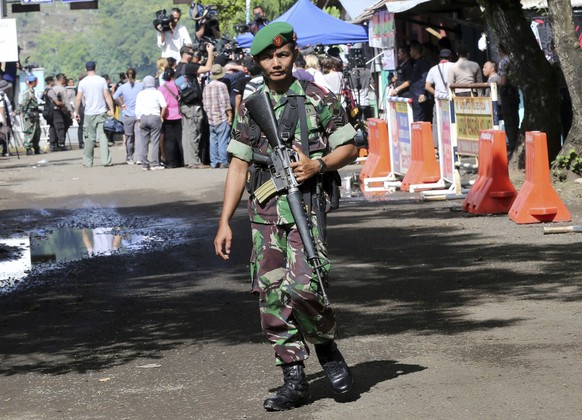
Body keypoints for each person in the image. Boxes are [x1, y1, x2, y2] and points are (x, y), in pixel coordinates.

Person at [214, 22, 357, 412]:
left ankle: (326, 347)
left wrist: (319, 164)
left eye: (282, 55)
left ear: (294, 54)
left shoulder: (316, 97)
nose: (275, 63)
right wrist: (224, 221)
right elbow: (238, 165)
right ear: (257, 61)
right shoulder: (251, 104)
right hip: (264, 213)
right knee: (272, 295)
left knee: (306, 287)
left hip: (305, 210)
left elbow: (350, 147)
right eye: (267, 57)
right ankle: (293, 377)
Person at [73, 61, 115, 167]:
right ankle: (106, 161)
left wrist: (76, 112)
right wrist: (112, 109)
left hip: (89, 113)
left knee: (89, 138)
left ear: (86, 69)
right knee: (103, 136)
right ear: (95, 68)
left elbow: (78, 99)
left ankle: (88, 162)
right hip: (101, 112)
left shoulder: (82, 82)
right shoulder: (101, 80)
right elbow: (107, 96)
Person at [180, 44, 215, 169]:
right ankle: (195, 161)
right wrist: (210, 52)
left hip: (184, 103)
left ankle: (189, 160)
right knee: (195, 132)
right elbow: (208, 68)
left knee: (187, 133)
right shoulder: (189, 67)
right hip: (193, 104)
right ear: (184, 55)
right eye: (190, 54)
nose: (192, 56)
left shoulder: (178, 68)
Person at [202, 64, 232, 169]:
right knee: (223, 140)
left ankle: (214, 162)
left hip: (211, 118)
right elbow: (226, 103)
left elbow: (204, 104)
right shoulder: (222, 85)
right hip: (221, 117)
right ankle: (223, 161)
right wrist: (230, 115)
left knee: (213, 141)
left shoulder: (206, 87)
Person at [135, 76, 167, 171]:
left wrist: (139, 120)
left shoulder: (140, 94)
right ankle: (154, 163)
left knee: (144, 142)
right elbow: (164, 105)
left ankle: (145, 163)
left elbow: (137, 109)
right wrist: (161, 116)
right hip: (154, 117)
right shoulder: (157, 93)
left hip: (143, 117)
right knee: (155, 141)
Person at [113, 68, 144, 164]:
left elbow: (114, 97)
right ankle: (139, 158)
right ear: (136, 75)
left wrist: (121, 104)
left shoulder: (122, 87)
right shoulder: (141, 86)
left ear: (126, 76)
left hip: (127, 114)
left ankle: (129, 157)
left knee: (129, 137)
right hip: (138, 114)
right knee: (139, 137)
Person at [158, 67, 183, 168]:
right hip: (178, 113)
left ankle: (171, 162)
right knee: (180, 138)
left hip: (167, 114)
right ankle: (182, 159)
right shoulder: (178, 85)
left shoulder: (161, 88)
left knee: (169, 140)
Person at [497, 44, 520, 157]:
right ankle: (515, 144)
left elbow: (504, 81)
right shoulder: (515, 60)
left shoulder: (503, 62)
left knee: (509, 122)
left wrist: (496, 83)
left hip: (507, 94)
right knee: (515, 120)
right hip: (515, 93)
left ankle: (512, 147)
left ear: (500, 50)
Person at [408, 41, 433, 122]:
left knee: (419, 120)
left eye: (411, 50)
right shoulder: (416, 62)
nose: (410, 52)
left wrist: (422, 93)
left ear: (415, 50)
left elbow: (424, 78)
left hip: (419, 97)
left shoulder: (423, 62)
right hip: (415, 96)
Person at [47, 73, 74, 151]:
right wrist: (70, 112)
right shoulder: (62, 89)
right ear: (62, 80)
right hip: (60, 111)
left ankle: (53, 144)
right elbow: (66, 102)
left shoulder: (51, 88)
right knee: (61, 127)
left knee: (53, 127)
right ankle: (61, 144)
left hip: (51, 111)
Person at [19, 74, 42, 155]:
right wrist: (22, 113)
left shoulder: (32, 91)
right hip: (30, 115)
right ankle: (28, 148)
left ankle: (36, 148)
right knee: (29, 132)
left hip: (34, 114)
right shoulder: (28, 92)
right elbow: (24, 104)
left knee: (37, 132)